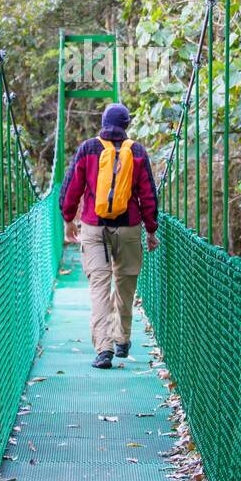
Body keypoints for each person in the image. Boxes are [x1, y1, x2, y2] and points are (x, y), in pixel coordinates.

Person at [59, 103, 159, 369]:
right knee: (125, 287)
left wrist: (68, 219)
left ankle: (104, 350)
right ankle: (122, 339)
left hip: (93, 227)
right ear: (126, 125)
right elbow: (148, 195)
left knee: (99, 288)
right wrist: (151, 230)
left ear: (102, 123)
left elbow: (71, 189)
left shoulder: (88, 149)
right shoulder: (137, 152)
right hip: (129, 229)